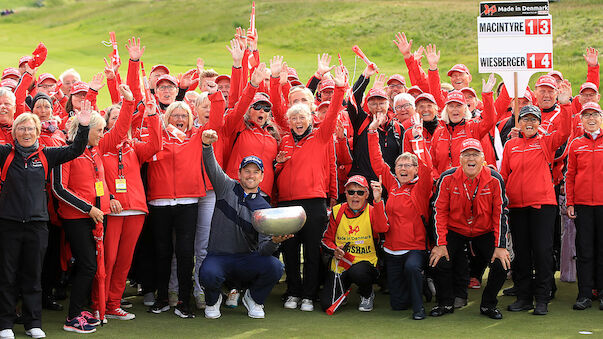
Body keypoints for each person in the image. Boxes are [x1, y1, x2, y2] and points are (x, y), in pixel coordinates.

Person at [0, 110, 90, 339]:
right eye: (21, 128)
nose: (26, 132)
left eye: (30, 128)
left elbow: (76, 149)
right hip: (8, 224)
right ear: (14, 132)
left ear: (38, 132)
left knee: (33, 275)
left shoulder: (47, 154)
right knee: (7, 276)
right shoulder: (5, 153)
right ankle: (5, 324)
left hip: (38, 225)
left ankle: (33, 323)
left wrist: (83, 125)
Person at [52, 89, 132, 332]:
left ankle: (81, 308)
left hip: (95, 217)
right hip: (76, 217)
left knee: (91, 265)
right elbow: (59, 189)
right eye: (98, 130)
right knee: (88, 265)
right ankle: (73, 317)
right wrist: (88, 209)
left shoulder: (94, 151)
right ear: (86, 131)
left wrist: (106, 200)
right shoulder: (65, 152)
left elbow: (98, 183)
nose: (102, 133)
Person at [276, 65, 346, 312]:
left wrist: (339, 88)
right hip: (286, 203)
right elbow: (275, 172)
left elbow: (335, 111)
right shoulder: (283, 140)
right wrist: (277, 164)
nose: (297, 122)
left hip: (314, 201)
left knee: (312, 251)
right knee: (291, 250)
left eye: (302, 117)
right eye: (293, 118)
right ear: (289, 121)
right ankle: (293, 291)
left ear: (310, 119)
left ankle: (308, 295)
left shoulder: (321, 135)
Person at [199, 129, 290, 319]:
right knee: (207, 273)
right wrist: (207, 146)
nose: (251, 175)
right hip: (219, 256)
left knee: (275, 266)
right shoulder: (226, 187)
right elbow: (211, 166)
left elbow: (264, 250)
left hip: (246, 260)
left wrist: (274, 241)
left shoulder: (265, 208)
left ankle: (254, 299)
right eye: (247, 171)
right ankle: (213, 300)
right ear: (239, 173)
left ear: (262, 176)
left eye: (255, 172)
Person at [501, 87, 572, 315]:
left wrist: (566, 104)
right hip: (517, 207)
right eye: (525, 119)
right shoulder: (511, 145)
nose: (529, 123)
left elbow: (565, 131)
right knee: (521, 254)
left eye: (533, 119)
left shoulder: (546, 142)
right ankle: (523, 297)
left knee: (542, 252)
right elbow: (504, 174)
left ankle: (542, 298)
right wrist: (502, 199)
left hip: (543, 206)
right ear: (519, 123)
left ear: (539, 123)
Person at [430, 138, 510, 319]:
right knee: (438, 258)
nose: (470, 159)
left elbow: (500, 214)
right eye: (466, 155)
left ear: (483, 158)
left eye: (475, 154)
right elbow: (439, 211)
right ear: (460, 159)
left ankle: (488, 305)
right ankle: (445, 302)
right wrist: (440, 243)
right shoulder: (447, 177)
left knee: (501, 263)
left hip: (484, 231)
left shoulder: (495, 179)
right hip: (455, 229)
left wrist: (500, 246)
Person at [367, 116, 433, 319]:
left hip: (415, 247)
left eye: (408, 165)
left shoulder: (420, 188)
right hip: (392, 249)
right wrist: (372, 133)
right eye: (399, 166)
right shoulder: (393, 185)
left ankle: (419, 307)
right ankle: (421, 287)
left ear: (415, 169)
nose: (403, 169)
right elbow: (378, 163)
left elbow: (427, 167)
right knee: (397, 305)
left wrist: (417, 139)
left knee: (413, 268)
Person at [320, 175, 388, 312]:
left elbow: (383, 228)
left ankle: (367, 294)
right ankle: (343, 291)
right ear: (345, 194)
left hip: (366, 264)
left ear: (367, 195)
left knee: (358, 272)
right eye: (351, 192)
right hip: (341, 264)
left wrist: (378, 200)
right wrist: (334, 250)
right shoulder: (337, 211)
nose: (355, 196)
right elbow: (325, 240)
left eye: (360, 192)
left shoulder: (373, 210)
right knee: (327, 304)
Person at [565, 102, 603, 310]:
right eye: (586, 115)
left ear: (600, 117)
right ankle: (585, 294)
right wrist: (570, 202)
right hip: (583, 206)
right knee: (585, 250)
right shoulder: (576, 144)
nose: (590, 118)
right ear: (581, 120)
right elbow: (570, 176)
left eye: (594, 114)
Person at [430, 74, 497, 176]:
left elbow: (490, 120)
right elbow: (432, 162)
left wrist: (487, 95)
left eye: (459, 106)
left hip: (468, 184)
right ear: (446, 109)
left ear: (465, 109)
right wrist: (437, 179)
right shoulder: (439, 131)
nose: (455, 109)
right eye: (451, 106)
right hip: (444, 185)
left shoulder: (472, 127)